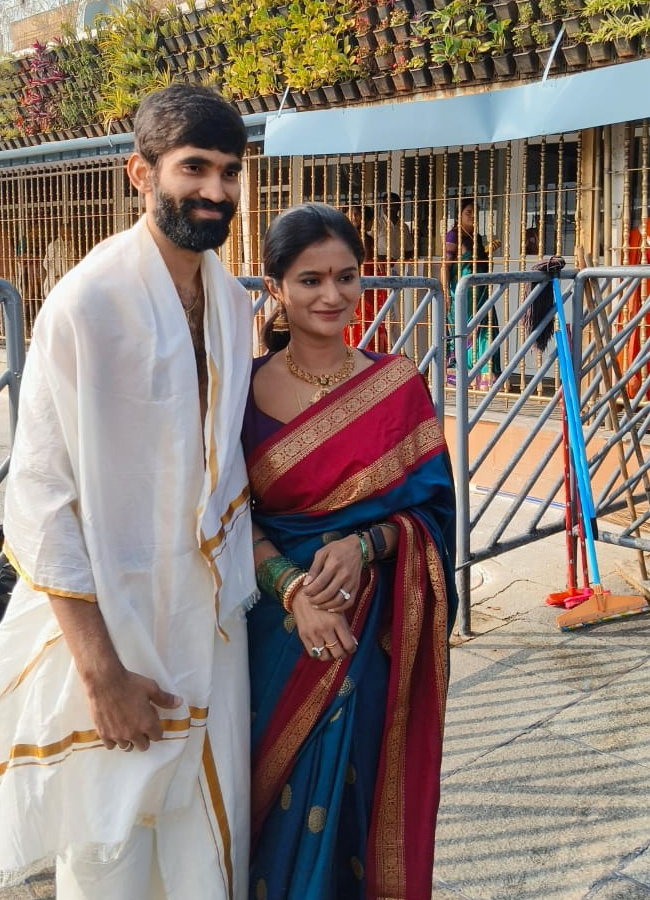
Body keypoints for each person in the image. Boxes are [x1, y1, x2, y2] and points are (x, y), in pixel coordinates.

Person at [0, 84, 255, 900]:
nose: (214, 192)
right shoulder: (87, 303)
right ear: (138, 174)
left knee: (208, 848)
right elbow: (39, 498)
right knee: (110, 855)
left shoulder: (229, 300)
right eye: (193, 168)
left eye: (229, 171)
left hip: (207, 623)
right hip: (109, 634)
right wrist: (101, 674)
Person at [241, 203, 457, 900]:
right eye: (309, 280)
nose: (331, 296)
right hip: (276, 635)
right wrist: (293, 591)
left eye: (346, 277)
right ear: (276, 287)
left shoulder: (396, 386)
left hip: (373, 635)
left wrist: (369, 544)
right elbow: (222, 521)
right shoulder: (238, 397)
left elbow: (434, 512)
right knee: (270, 810)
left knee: (358, 793)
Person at [442, 196, 502, 389]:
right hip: (462, 293)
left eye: (475, 213)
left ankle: (485, 375)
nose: (472, 217)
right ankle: (461, 375)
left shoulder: (476, 237)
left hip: (481, 291)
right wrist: (444, 293)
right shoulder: (454, 236)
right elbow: (446, 266)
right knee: (463, 332)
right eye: (468, 213)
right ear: (458, 215)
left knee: (487, 329)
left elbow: (479, 262)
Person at [345, 205, 388, 353]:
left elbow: (365, 259)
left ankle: (367, 350)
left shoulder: (366, 238)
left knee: (367, 316)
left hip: (364, 278)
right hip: (349, 278)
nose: (354, 218)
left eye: (357, 214)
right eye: (350, 214)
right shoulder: (341, 238)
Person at [376, 191, 414, 268]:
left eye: (391, 204)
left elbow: (409, 250)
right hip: (382, 267)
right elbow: (369, 245)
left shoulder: (404, 227)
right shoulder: (377, 224)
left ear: (399, 206)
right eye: (385, 204)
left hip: (399, 268)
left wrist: (402, 263)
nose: (388, 207)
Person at [41, 221, 73, 295]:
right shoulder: (53, 245)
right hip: (56, 279)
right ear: (63, 233)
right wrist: (55, 273)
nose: (70, 234)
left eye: (70, 232)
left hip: (67, 278)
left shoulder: (71, 245)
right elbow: (46, 263)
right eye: (69, 232)